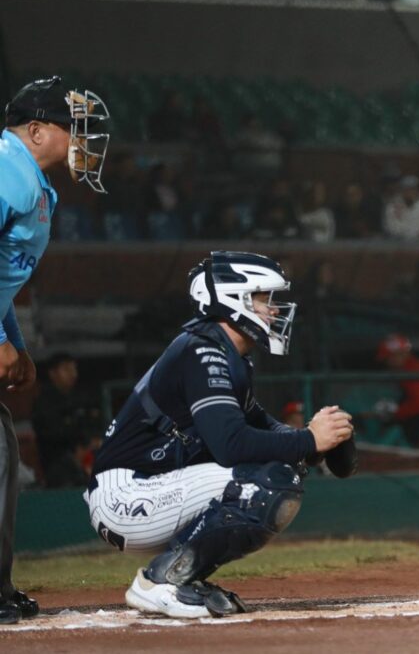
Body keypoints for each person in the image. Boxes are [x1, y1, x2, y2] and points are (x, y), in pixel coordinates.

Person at [85, 252, 354, 619]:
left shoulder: (227, 354)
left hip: (151, 486)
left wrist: (316, 439)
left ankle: (183, 575)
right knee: (266, 484)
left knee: (278, 474)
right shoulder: (201, 350)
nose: (274, 310)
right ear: (233, 298)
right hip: (127, 495)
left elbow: (261, 425)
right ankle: (160, 581)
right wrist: (307, 441)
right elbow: (231, 446)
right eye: (263, 298)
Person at [1, 75, 110, 625]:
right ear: (37, 130)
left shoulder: (33, 183)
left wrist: (15, 342)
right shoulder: (5, 166)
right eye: (75, 131)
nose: (83, 142)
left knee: (3, 458)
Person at [31, 353, 100, 488]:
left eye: (74, 369)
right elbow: (52, 434)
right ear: (53, 373)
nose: (73, 374)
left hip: (83, 459)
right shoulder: (44, 402)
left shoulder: (78, 399)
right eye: (67, 369)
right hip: (57, 465)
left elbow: (87, 426)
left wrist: (88, 444)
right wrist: (77, 449)